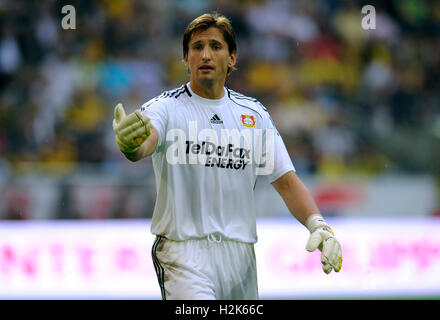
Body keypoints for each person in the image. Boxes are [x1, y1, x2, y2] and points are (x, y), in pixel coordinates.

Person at [112, 12, 342, 300]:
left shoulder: (253, 114)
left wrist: (318, 225)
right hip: (183, 253)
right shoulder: (164, 108)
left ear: (232, 57)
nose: (205, 54)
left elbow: (286, 181)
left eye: (215, 46)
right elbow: (143, 146)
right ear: (186, 59)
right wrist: (130, 145)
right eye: (197, 47)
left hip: (241, 256)